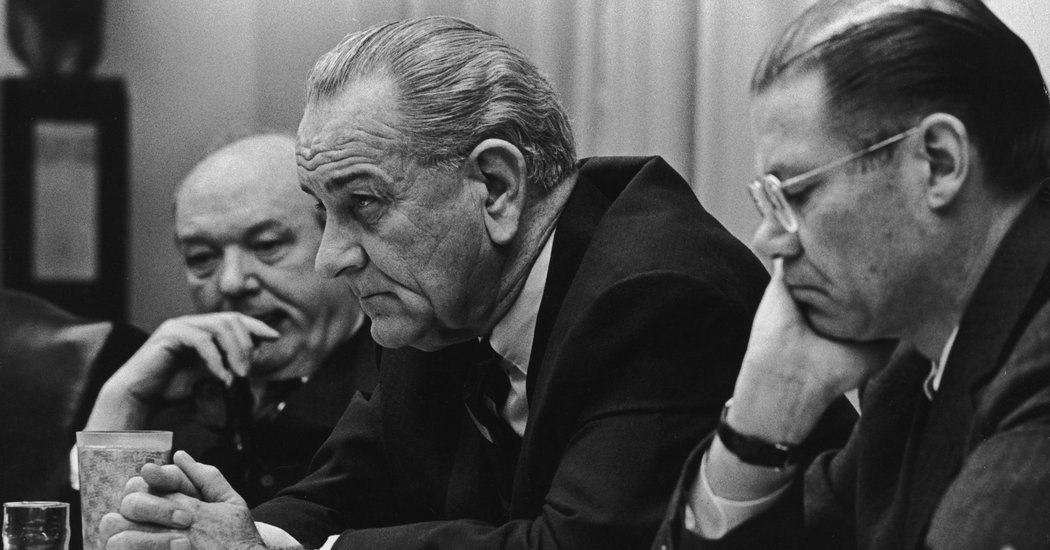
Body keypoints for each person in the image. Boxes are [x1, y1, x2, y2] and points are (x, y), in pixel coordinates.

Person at [95, 16, 806, 550]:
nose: (331, 258)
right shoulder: (443, 298)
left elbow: (581, 544)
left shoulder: (658, 296)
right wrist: (218, 535)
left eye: (363, 204)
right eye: (323, 213)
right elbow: (342, 491)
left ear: (495, 186)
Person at [650, 0, 1050, 548]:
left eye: (794, 193)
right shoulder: (909, 375)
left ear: (939, 162)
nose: (767, 240)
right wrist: (763, 417)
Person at [82, 133, 378, 506]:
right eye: (202, 257)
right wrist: (123, 401)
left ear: (336, 240)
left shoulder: (397, 390)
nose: (231, 282)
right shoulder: (176, 408)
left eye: (267, 245)